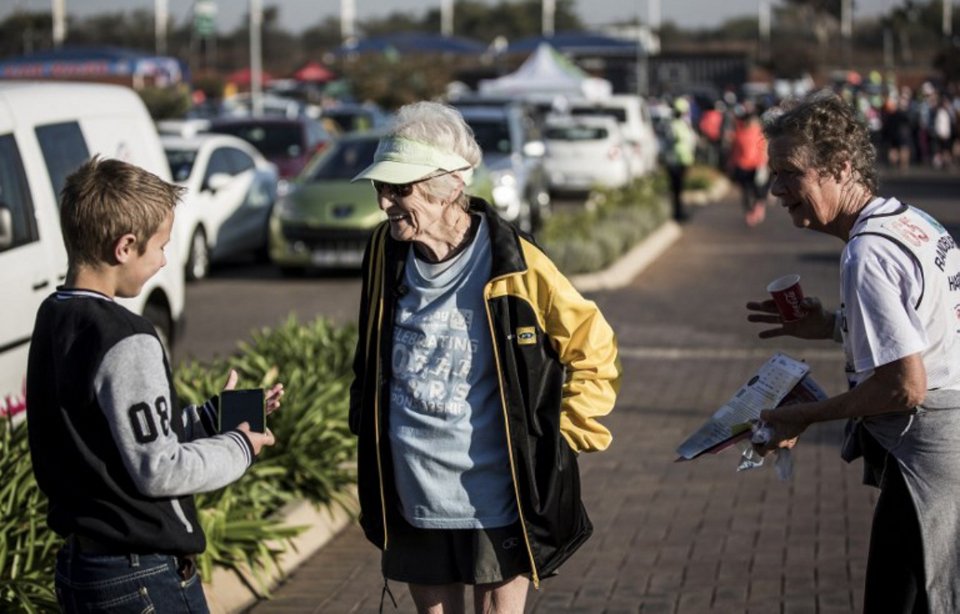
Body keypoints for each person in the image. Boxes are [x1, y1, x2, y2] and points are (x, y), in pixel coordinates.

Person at [348, 101, 620, 613]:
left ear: (450, 186)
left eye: (399, 188)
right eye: (380, 188)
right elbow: (370, 357)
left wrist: (560, 439)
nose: (385, 202)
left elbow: (593, 347)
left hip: (497, 493)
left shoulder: (515, 261)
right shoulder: (385, 251)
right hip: (411, 491)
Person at [26, 156, 285, 613]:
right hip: (139, 575)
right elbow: (159, 469)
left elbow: (110, 436)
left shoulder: (55, 315)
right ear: (125, 246)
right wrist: (239, 447)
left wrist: (209, 418)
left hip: (81, 568)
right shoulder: (127, 337)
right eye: (160, 247)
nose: (165, 260)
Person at [746, 91, 960, 613]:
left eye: (790, 173)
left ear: (841, 168)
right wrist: (831, 325)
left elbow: (902, 386)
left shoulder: (866, 253)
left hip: (929, 467)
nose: (776, 189)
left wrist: (803, 417)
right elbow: (930, 329)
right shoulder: (911, 221)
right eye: (773, 174)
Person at [727, 106, 769, 227]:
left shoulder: (760, 132)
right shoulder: (739, 133)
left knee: (758, 190)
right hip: (742, 166)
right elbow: (734, 150)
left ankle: (758, 207)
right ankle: (749, 212)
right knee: (745, 191)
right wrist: (731, 163)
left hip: (756, 166)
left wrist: (765, 164)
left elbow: (764, 149)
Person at [662, 97, 698, 222]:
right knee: (676, 189)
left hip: (683, 161)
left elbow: (691, 140)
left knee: (679, 189)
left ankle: (679, 212)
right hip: (675, 161)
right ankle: (677, 213)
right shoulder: (673, 125)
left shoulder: (683, 125)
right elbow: (671, 141)